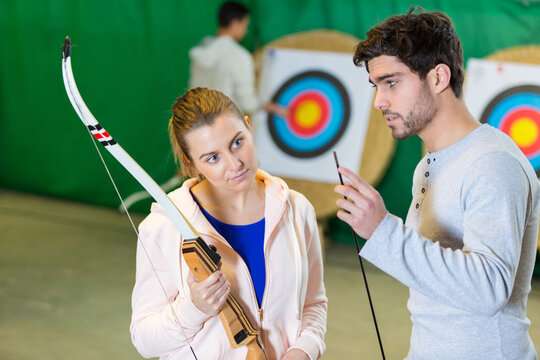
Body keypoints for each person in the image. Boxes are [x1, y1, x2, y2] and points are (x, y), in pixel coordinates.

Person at [334, 7, 539, 360]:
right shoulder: (430, 161)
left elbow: (489, 289)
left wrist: (383, 231)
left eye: (392, 82)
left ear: (438, 77)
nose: (379, 101)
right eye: (376, 86)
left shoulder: (492, 163)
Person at [130, 87, 327, 360]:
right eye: (212, 157)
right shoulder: (164, 226)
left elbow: (313, 304)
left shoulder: (297, 208)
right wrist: (194, 308)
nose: (235, 164)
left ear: (248, 126)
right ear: (191, 163)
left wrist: (304, 350)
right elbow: (144, 339)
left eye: (237, 142)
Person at [189, 1, 285, 118]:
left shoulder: (203, 48)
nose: (246, 30)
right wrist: (269, 107)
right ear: (235, 23)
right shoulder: (240, 56)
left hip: (197, 123)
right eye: (245, 25)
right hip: (224, 127)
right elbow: (248, 104)